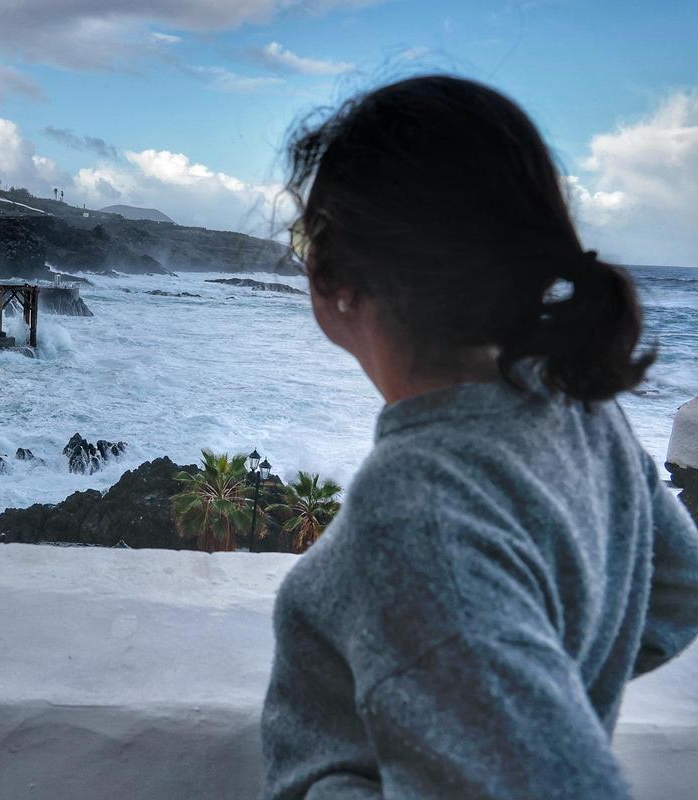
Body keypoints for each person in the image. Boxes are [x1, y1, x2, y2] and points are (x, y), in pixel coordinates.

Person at [261, 75, 698, 799]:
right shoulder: (578, 407)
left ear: (334, 275)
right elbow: (679, 589)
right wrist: (516, 690)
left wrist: (489, 697)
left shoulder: (416, 510)